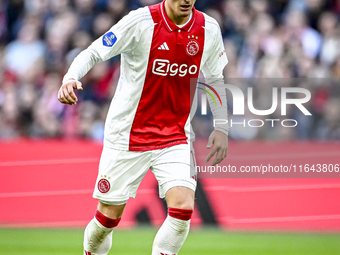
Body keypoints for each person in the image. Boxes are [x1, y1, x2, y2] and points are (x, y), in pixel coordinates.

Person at [58, 0, 229, 254]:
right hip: (127, 135)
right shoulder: (140, 22)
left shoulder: (208, 28)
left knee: (182, 209)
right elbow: (94, 51)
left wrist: (222, 126)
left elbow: (215, 77)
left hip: (175, 136)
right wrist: (70, 77)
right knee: (108, 218)